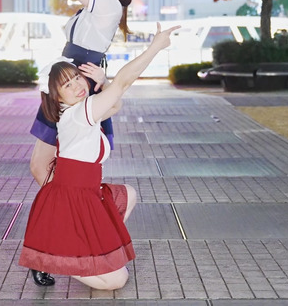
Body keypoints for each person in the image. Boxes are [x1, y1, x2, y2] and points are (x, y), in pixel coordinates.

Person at [2, 0, 137, 286]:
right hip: (71, 83)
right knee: (46, 169)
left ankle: (62, 246)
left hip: (75, 88)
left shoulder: (106, 2)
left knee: (44, 167)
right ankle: (63, 243)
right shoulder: (100, 3)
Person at [18, 23, 179, 290]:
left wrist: (104, 83)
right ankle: (58, 259)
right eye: (67, 85)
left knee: (128, 195)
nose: (77, 86)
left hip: (86, 195)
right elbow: (124, 84)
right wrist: (155, 47)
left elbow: (114, 104)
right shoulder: (78, 114)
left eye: (76, 78)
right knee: (117, 280)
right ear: (57, 97)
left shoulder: (80, 109)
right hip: (74, 201)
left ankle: (80, 252)